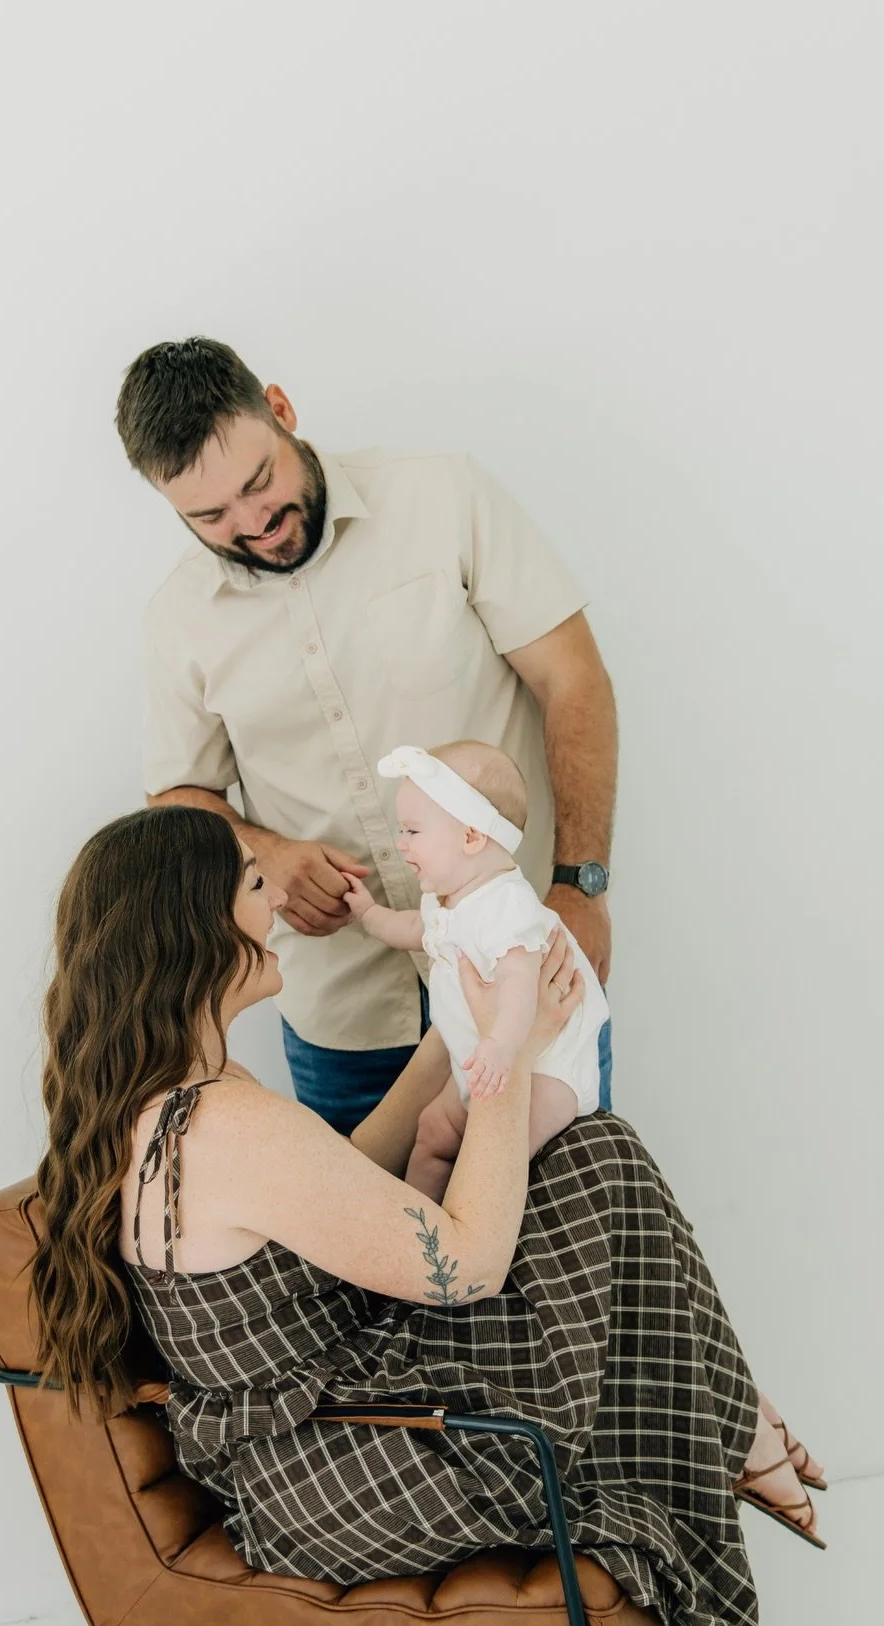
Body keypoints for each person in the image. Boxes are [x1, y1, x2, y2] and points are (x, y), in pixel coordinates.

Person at [28, 807, 827, 1626]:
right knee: (598, 1160)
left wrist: (464, 1028)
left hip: (320, 1445)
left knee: (593, 1157)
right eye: (256, 886)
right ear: (198, 926)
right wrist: (510, 1058)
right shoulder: (224, 1125)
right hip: (349, 1468)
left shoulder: (186, 1098)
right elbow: (472, 1261)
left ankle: (741, 1427)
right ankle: (742, 1429)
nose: (279, 906)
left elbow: (343, 1185)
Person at [117, 337, 617, 1134]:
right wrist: (268, 856)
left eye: (259, 483)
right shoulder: (177, 622)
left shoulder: (441, 495)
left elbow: (573, 679)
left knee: (571, 1241)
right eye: (209, 516)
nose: (254, 524)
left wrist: (580, 883)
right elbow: (179, 800)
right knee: (374, 1257)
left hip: (525, 973)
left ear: (280, 410)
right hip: (345, 1017)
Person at [346, 741, 608, 1200]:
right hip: (483, 1064)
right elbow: (415, 927)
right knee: (432, 1131)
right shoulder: (450, 901)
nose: (400, 843)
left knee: (495, 1170)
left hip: (543, 1070)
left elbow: (519, 985)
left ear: (471, 837)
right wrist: (370, 917)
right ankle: (422, 1234)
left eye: (412, 830)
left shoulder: (507, 907)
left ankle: (471, 1231)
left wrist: (500, 1045)